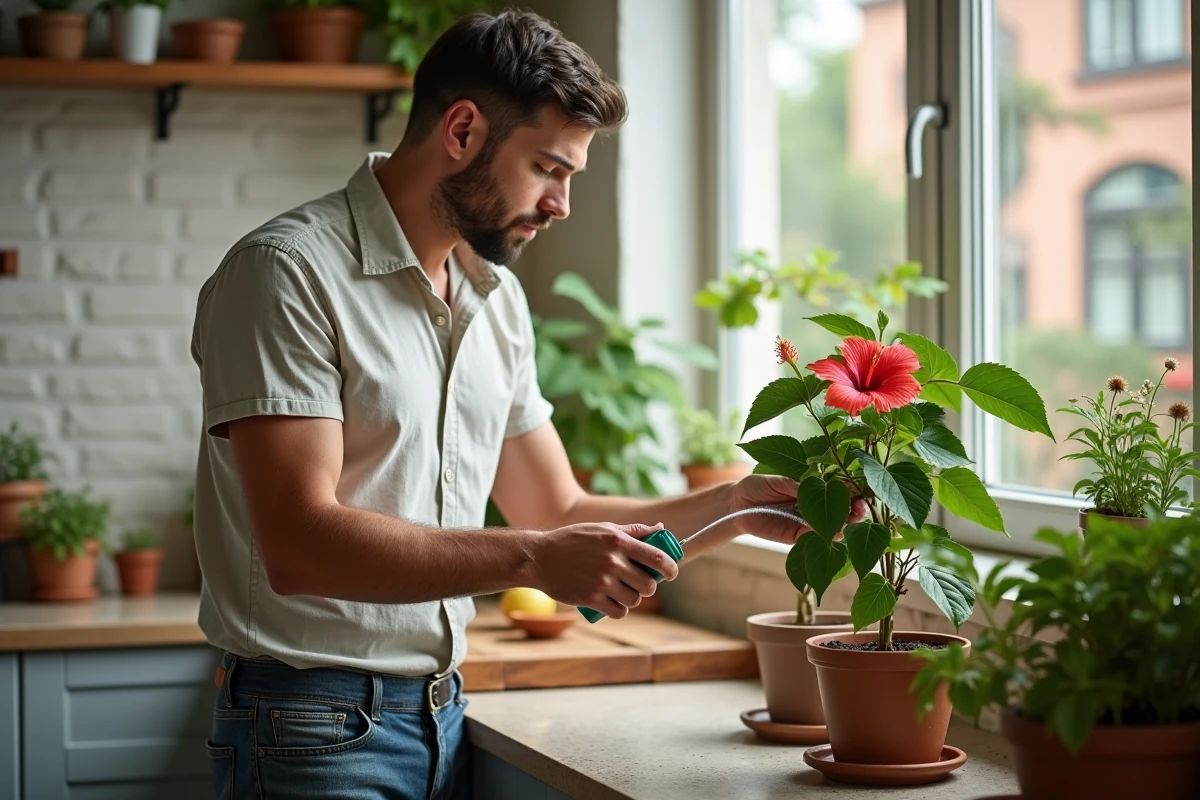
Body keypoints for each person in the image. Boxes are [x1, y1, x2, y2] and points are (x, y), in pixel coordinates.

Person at [191, 9, 864, 800]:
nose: (562, 204)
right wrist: (535, 557)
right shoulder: (287, 273)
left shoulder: (495, 299)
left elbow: (558, 504)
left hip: (443, 720)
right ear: (464, 131)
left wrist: (736, 506)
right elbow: (300, 543)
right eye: (549, 167)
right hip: (307, 729)